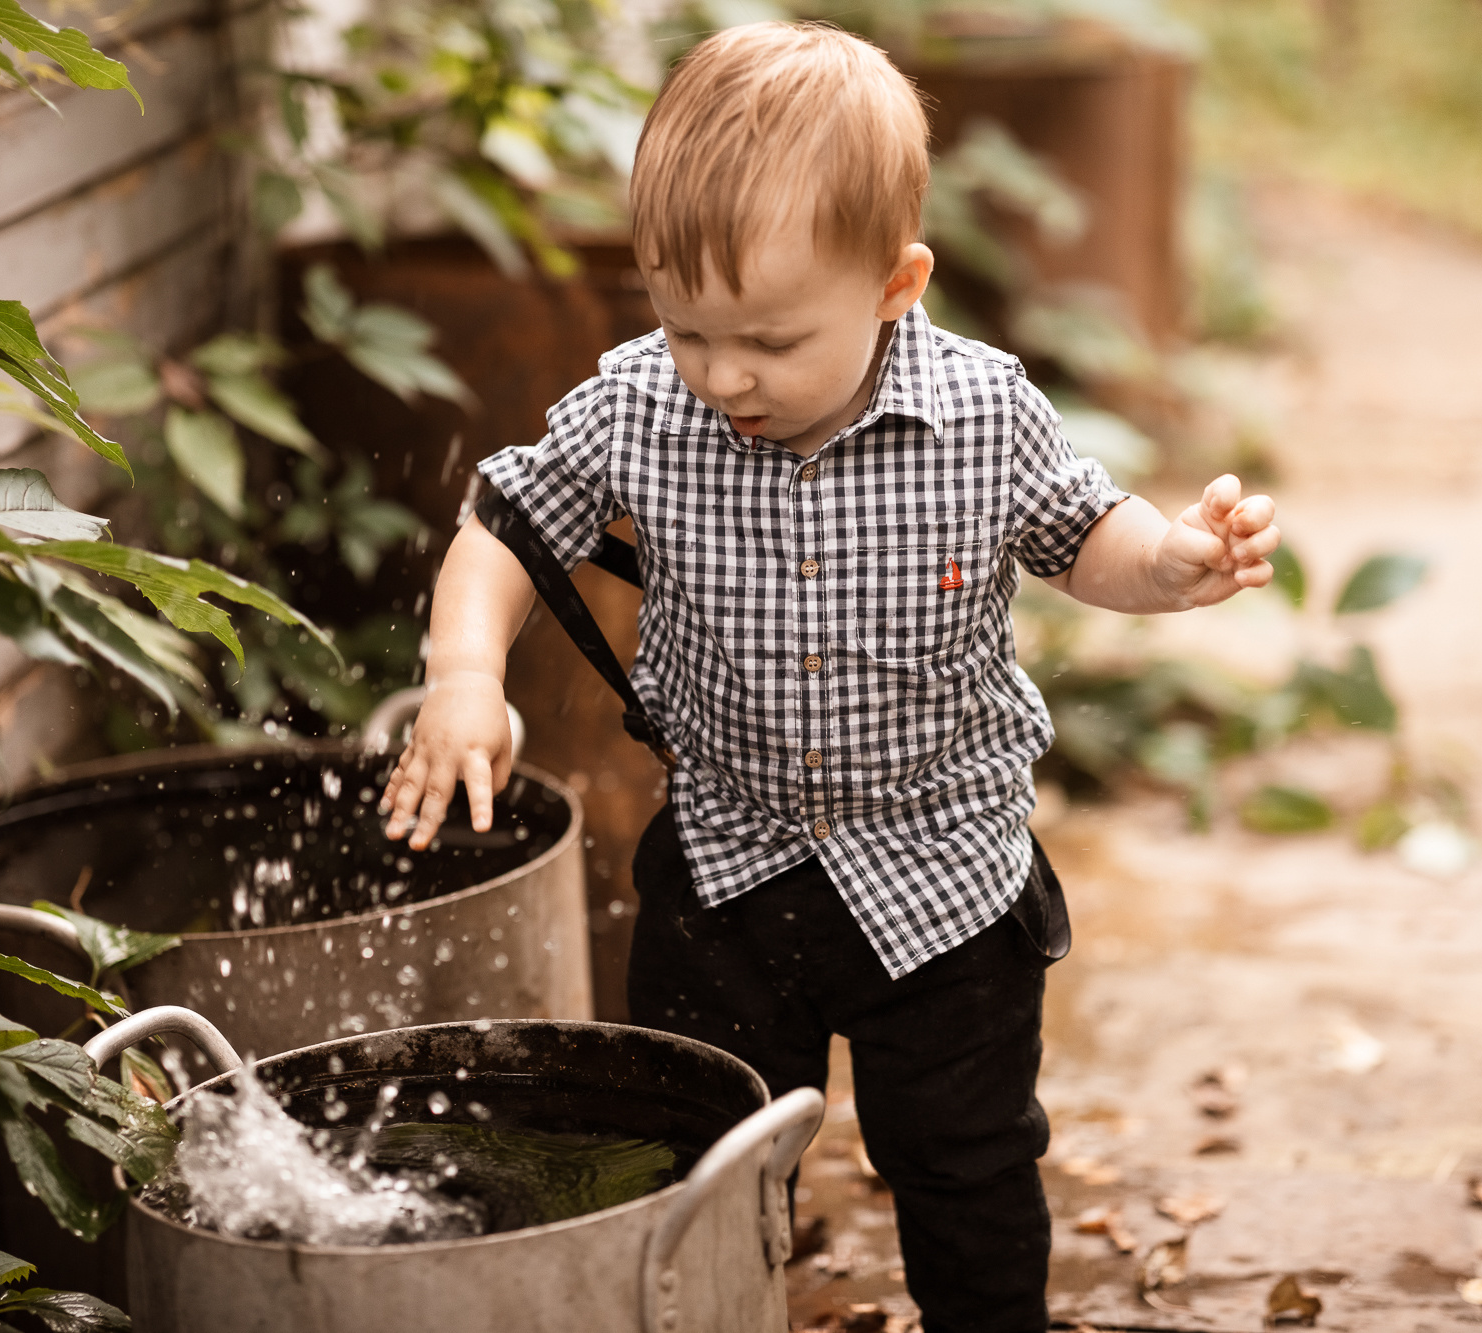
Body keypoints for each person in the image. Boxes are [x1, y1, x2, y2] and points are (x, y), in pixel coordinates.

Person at [379, 20, 1279, 1331]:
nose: (724, 375)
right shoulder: (642, 404)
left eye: (771, 339)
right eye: (687, 327)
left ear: (895, 285)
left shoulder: (984, 411)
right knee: (704, 1169)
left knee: (965, 1165)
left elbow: (1091, 535)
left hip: (948, 880)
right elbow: (503, 526)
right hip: (730, 872)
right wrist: (466, 671)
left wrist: (1175, 562)